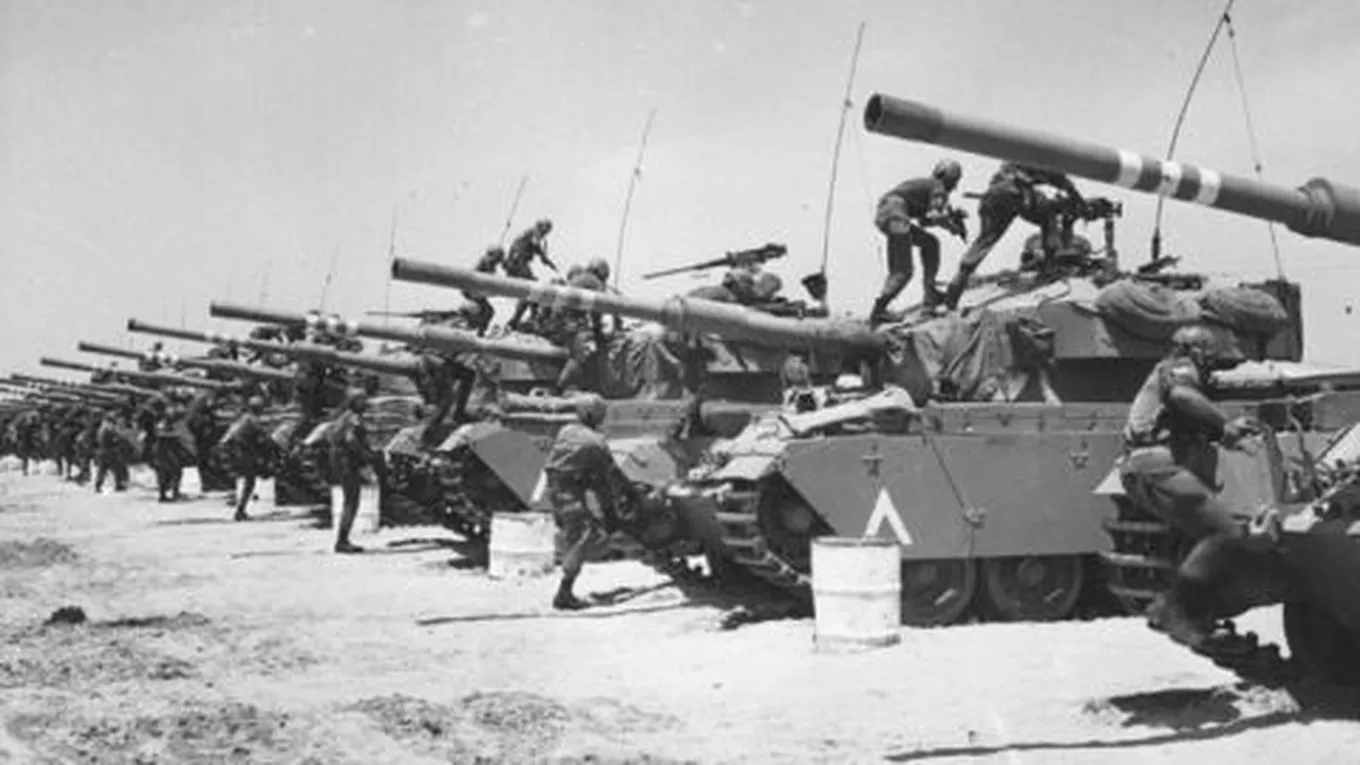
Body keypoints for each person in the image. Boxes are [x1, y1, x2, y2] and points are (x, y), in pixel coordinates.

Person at [1117, 324, 1258, 650]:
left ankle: (1173, 606)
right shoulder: (1179, 368)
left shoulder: (1167, 372)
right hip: (1157, 463)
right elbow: (1182, 395)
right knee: (1225, 532)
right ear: (1196, 352)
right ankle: (1178, 613)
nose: (1212, 362)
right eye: (1209, 354)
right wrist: (1225, 424)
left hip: (1147, 464)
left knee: (1203, 533)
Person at [942, 162, 1085, 311]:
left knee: (983, 242)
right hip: (1015, 192)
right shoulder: (1047, 159)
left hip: (994, 195)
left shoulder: (1017, 160)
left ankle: (953, 293)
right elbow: (1061, 181)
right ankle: (1049, 266)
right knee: (1048, 213)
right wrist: (1078, 201)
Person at [542, 394, 617, 610]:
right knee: (581, 537)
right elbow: (605, 479)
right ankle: (564, 593)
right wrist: (610, 510)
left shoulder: (566, 430)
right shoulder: (595, 441)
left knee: (576, 534)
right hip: (570, 493)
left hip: (555, 490)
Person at [870, 159, 964, 324]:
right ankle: (879, 311)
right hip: (897, 213)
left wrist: (949, 217)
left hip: (888, 213)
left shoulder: (928, 185)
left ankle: (930, 292)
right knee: (903, 270)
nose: (954, 187)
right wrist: (952, 226)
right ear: (949, 178)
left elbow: (925, 221)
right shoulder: (938, 187)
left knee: (930, 243)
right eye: (954, 181)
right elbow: (935, 215)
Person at [327, 389, 378, 553]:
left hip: (344, 462)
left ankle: (343, 539)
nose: (365, 402)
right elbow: (351, 440)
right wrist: (365, 456)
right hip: (348, 463)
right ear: (353, 401)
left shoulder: (344, 416)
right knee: (351, 501)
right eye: (361, 399)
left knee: (350, 500)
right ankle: (342, 541)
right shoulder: (352, 418)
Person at [219, 396, 269, 520]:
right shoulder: (253, 420)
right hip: (239, 451)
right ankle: (240, 510)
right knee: (250, 480)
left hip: (231, 449)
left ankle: (239, 504)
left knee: (241, 478)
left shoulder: (242, 418)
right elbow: (263, 438)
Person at [505, 219, 558, 330]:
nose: (546, 234)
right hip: (517, 263)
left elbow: (537, 250)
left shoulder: (530, 234)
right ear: (541, 227)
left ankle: (529, 315)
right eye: (546, 231)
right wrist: (545, 259)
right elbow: (533, 247)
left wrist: (548, 262)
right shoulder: (534, 233)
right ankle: (530, 316)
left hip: (516, 263)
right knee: (533, 289)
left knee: (532, 291)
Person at [464, 245, 504, 336]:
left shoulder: (486, 262)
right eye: (499, 257)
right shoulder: (486, 262)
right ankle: (479, 332)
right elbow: (489, 277)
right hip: (473, 291)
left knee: (487, 311)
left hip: (474, 291)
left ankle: (479, 330)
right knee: (488, 311)